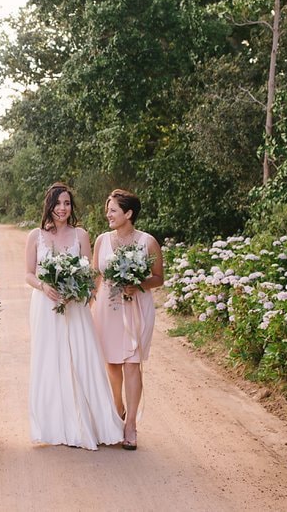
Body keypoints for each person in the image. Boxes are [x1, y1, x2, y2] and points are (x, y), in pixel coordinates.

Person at [24, 182, 123, 449]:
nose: (62, 209)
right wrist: (44, 286)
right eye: (57, 203)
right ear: (49, 205)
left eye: (67, 203)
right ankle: (55, 425)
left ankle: (88, 422)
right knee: (50, 359)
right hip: (46, 305)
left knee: (81, 356)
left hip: (75, 304)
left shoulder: (81, 235)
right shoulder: (36, 236)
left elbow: (90, 274)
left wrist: (77, 291)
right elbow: (28, 274)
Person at [91, 188, 164, 451]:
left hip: (136, 308)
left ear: (128, 213)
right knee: (111, 363)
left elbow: (158, 278)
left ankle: (131, 425)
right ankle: (117, 410)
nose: (108, 214)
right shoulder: (102, 240)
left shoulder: (148, 242)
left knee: (132, 364)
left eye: (113, 210)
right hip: (107, 309)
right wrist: (86, 303)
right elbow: (95, 275)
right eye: (108, 209)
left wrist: (139, 284)